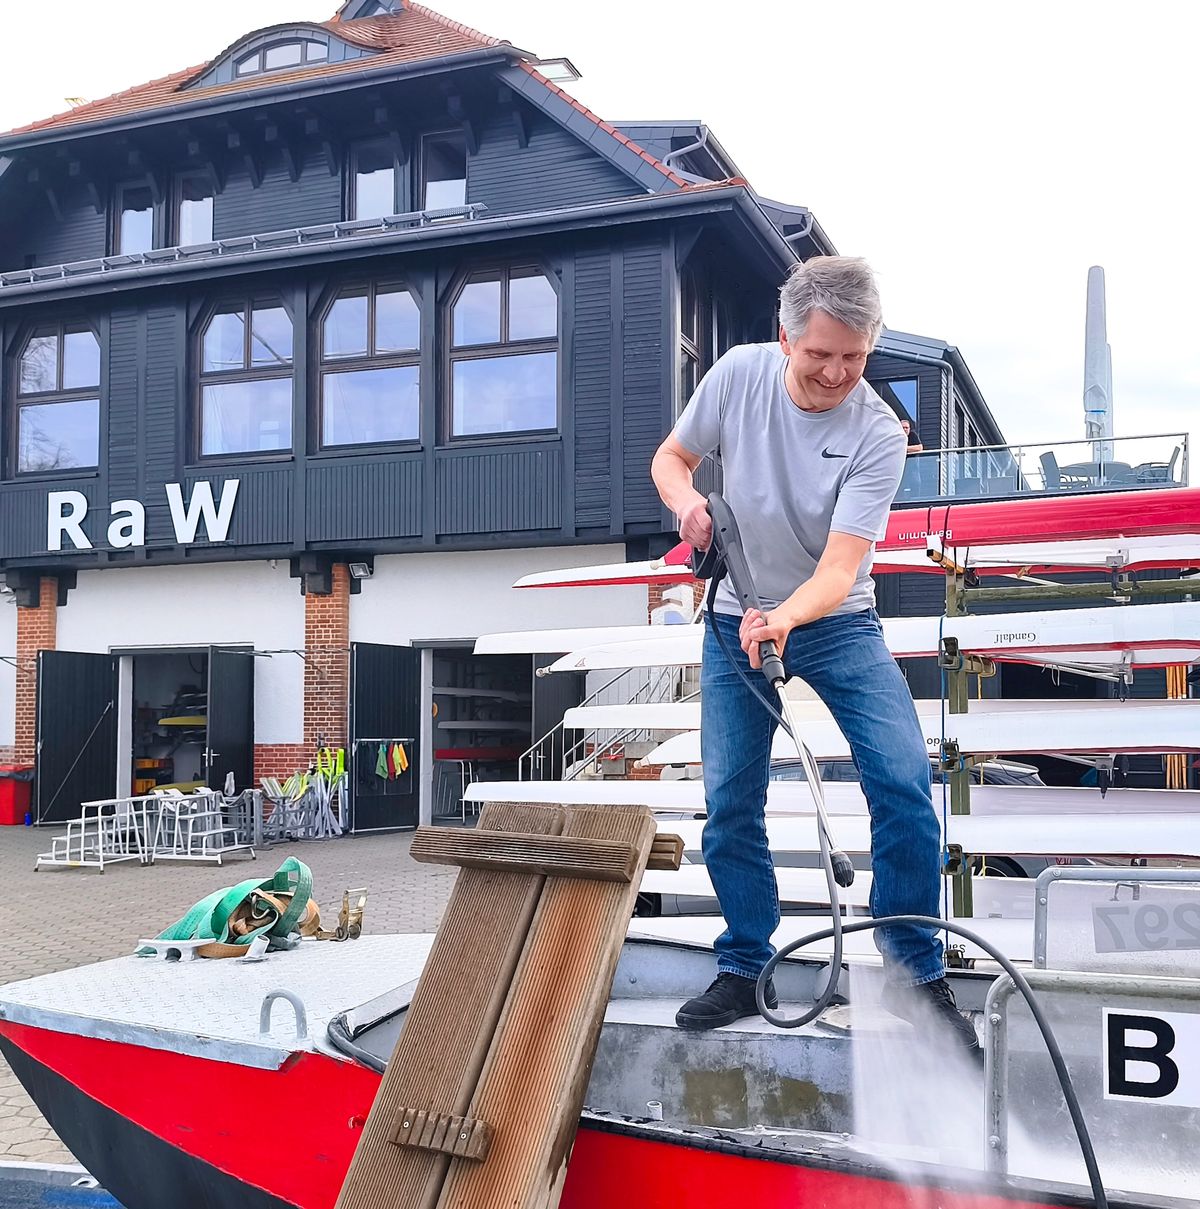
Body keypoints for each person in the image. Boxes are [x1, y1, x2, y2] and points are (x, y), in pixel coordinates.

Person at [650, 256, 979, 1054]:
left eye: (854, 358)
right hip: (735, 618)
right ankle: (743, 962)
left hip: (837, 621)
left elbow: (839, 569)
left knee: (903, 780)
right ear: (785, 336)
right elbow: (671, 458)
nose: (836, 373)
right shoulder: (735, 379)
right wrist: (690, 506)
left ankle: (911, 966)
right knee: (731, 799)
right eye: (820, 354)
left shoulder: (876, 431)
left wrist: (787, 616)